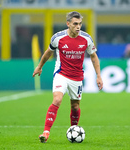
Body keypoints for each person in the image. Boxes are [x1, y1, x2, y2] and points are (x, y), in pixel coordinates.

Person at [32, 11, 103, 143]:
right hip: (61, 74)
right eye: (75, 24)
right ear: (68, 24)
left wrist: (98, 76)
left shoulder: (86, 39)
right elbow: (48, 53)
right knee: (57, 99)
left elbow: (94, 57)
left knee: (75, 106)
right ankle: (46, 132)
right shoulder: (58, 38)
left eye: (80, 24)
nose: (78, 27)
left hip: (77, 77)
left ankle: (73, 130)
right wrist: (40, 66)